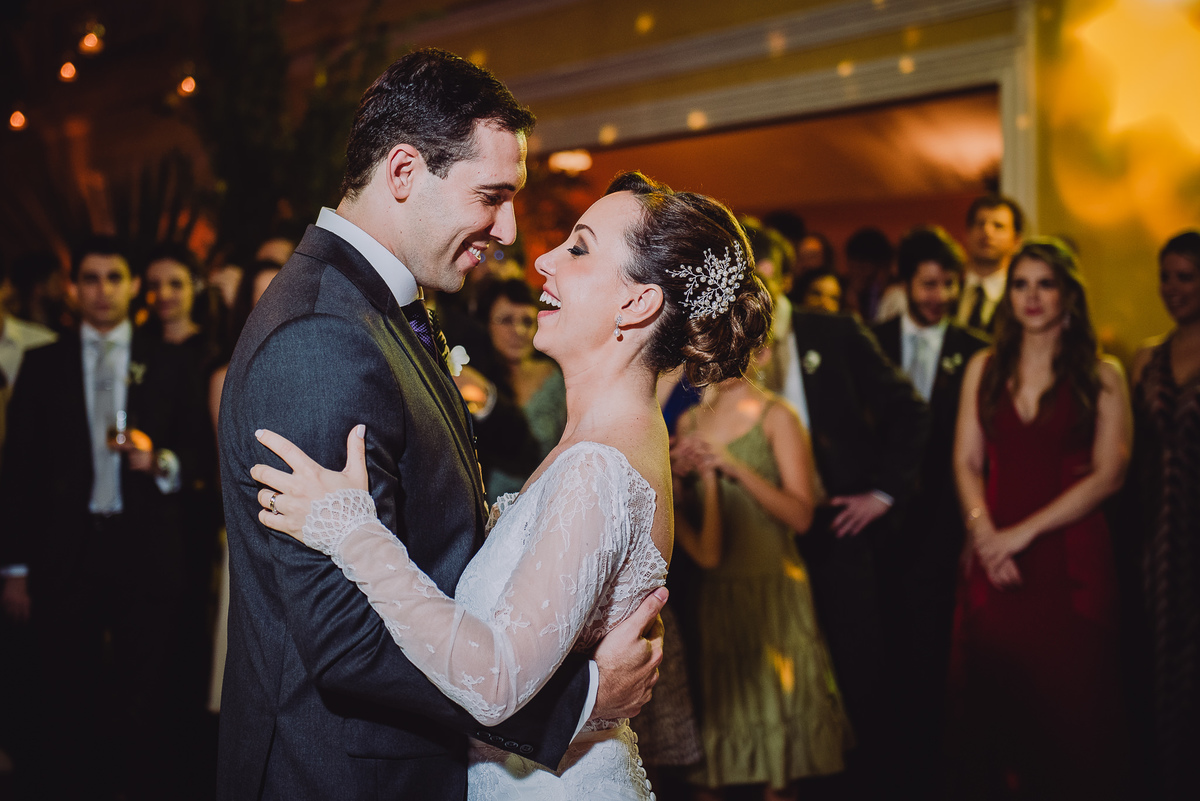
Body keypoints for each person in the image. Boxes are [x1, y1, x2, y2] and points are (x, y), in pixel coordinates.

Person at [216, 50, 667, 800]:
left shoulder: (383, 306)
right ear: (403, 173)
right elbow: (344, 638)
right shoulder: (319, 337)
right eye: (492, 195)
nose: (511, 229)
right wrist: (573, 705)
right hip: (341, 772)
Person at [248, 170, 771, 799]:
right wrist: (590, 691)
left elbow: (495, 682)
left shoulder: (600, 469)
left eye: (578, 248)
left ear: (637, 304)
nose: (544, 259)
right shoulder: (602, 446)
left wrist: (353, 532)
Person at [0, 235, 213, 799]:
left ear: (130, 285)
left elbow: (201, 452)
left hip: (146, 549)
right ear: (73, 288)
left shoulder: (168, 361)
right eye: (90, 278)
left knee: (144, 694)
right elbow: (17, 471)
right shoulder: (42, 363)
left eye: (113, 277)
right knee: (67, 691)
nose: (101, 290)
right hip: (64, 551)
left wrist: (159, 459)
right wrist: (14, 568)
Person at [951, 238, 1131, 799]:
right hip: (994, 564)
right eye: (1021, 284)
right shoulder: (983, 367)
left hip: (1071, 566)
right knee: (994, 721)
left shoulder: (1104, 375)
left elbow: (1109, 475)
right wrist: (985, 535)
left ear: (1068, 296)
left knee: (1073, 722)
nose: (1031, 297)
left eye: (1045, 284)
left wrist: (1016, 536)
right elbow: (965, 460)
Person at [672, 365, 850, 800]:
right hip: (716, 595)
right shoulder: (688, 421)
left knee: (780, 767)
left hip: (774, 592)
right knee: (716, 755)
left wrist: (736, 468)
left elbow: (801, 517)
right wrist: (676, 470)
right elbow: (680, 515)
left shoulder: (777, 416)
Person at [871, 225, 989, 796]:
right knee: (884, 647)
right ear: (906, 281)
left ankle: (931, 768)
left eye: (946, 284)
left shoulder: (974, 348)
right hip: (879, 527)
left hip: (944, 517)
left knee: (933, 650)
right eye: (927, 283)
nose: (937, 295)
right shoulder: (873, 338)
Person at [1129, 229, 1200, 801]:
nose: (1173, 289)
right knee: (1156, 661)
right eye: (1166, 276)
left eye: (1186, 277)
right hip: (1156, 533)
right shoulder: (1145, 358)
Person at [476, 278, 566, 502]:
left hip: (543, 501)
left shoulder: (554, 377)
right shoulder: (475, 380)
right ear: (486, 323)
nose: (518, 331)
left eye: (527, 321)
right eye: (506, 320)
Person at [956, 194, 1024, 333]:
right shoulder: (948, 290)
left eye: (998, 226)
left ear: (1016, 241)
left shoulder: (1021, 297)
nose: (987, 232)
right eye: (980, 224)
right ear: (967, 234)